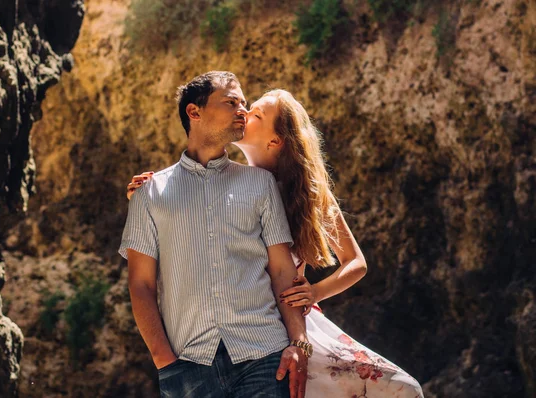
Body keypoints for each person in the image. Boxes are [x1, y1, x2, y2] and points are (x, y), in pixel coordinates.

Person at [127, 88, 425, 398]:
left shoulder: (306, 194)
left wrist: (313, 292)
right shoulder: (222, 181)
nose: (243, 112)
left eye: (256, 114)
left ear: (274, 141)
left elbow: (356, 262)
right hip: (235, 335)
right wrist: (145, 196)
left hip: (291, 328)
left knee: (402, 390)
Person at [119, 71, 310, 398]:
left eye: (244, 103)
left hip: (265, 356)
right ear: (194, 112)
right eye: (231, 102)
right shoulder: (150, 193)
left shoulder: (260, 184)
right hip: (189, 365)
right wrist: (164, 361)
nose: (242, 110)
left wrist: (298, 344)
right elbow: (141, 284)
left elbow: (281, 270)